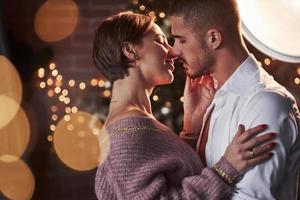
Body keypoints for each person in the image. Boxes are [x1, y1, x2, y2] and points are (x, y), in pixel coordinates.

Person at [92, 11, 276, 200]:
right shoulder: (126, 135)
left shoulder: (134, 124)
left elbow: (169, 176)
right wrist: (226, 170)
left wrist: (190, 126)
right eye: (159, 41)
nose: (172, 52)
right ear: (130, 50)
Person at [169, 0, 300, 199]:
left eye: (181, 40)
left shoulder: (266, 104)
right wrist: (191, 129)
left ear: (213, 38)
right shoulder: (215, 96)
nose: (173, 51)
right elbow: (193, 180)